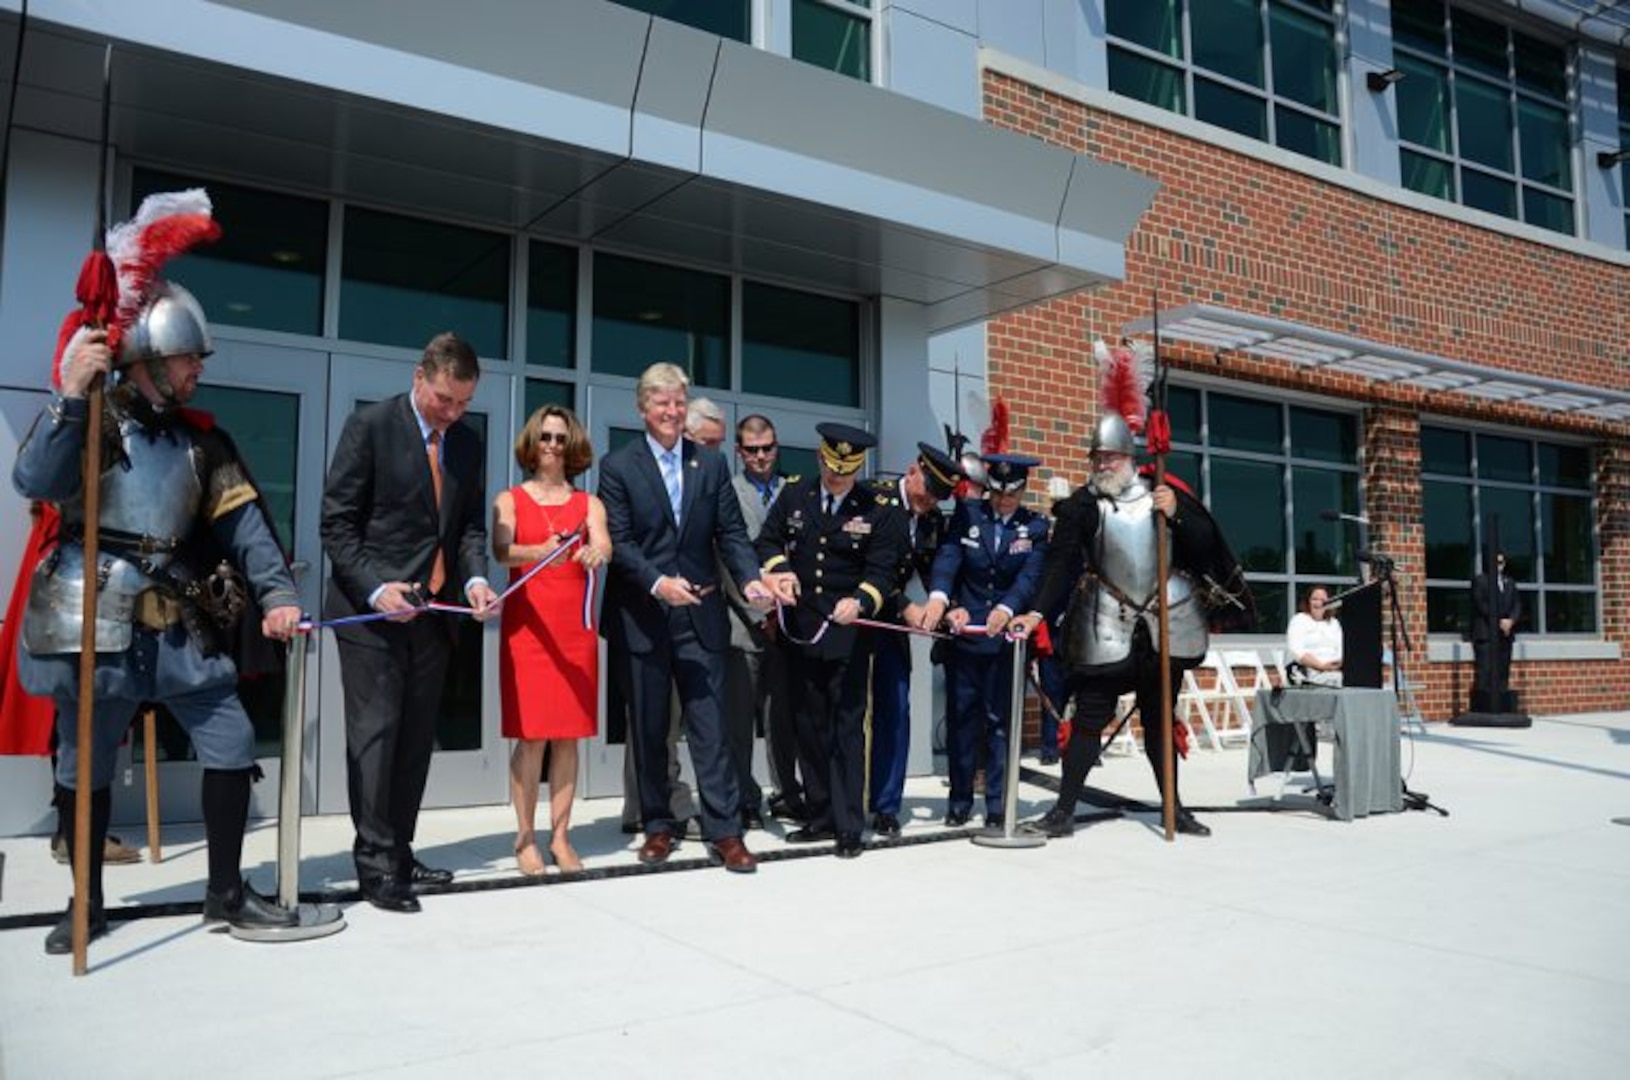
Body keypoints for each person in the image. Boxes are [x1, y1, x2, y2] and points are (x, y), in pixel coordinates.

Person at [14, 281, 302, 953]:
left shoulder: (204, 446)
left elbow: (249, 529)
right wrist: (68, 397)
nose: (199, 370)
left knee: (230, 739)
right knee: (83, 763)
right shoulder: (91, 420)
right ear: (148, 358)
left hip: (177, 622)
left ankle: (225, 894)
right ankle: (84, 904)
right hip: (94, 618)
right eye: (187, 359)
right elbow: (34, 481)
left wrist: (278, 594)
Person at [321, 332, 499, 913]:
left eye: (463, 404)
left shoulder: (467, 445)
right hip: (371, 616)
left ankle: (399, 851)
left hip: (434, 618)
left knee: (415, 742)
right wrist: (376, 588)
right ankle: (374, 866)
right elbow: (337, 526)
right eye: (445, 399)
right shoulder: (370, 428)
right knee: (377, 738)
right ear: (420, 377)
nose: (453, 413)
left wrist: (474, 579)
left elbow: (469, 527)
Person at [1010, 411, 1251, 840]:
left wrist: (1177, 513)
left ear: (1128, 456)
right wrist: (1037, 612)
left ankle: (1174, 808)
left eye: (1111, 457)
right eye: (1097, 457)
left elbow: (1204, 545)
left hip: (1165, 625)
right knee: (1089, 717)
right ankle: (1063, 810)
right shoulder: (1082, 505)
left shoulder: (1165, 494)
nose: (1103, 464)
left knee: (1160, 721)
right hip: (1105, 624)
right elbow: (1059, 564)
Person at [597, 363, 768, 873]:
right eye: (661, 403)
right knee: (651, 729)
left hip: (701, 616)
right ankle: (658, 825)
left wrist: (752, 578)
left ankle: (725, 831)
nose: (671, 412)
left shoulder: (710, 465)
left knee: (710, 726)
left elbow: (732, 534)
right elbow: (621, 543)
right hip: (644, 616)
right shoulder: (618, 466)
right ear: (642, 408)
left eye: (678, 402)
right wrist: (657, 582)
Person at [758, 423, 907, 858]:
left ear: (857, 467)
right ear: (821, 458)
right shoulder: (795, 494)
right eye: (832, 467)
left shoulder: (879, 508)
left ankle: (848, 825)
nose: (837, 477)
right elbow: (766, 539)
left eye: (847, 470)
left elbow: (884, 569)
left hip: (847, 635)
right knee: (808, 724)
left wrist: (861, 601)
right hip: (801, 631)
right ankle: (819, 816)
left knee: (845, 728)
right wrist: (780, 569)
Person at [493, 405, 610, 876]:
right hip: (529, 629)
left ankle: (561, 836)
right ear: (531, 442)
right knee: (531, 737)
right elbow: (500, 551)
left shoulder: (589, 504)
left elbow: (604, 544)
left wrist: (592, 551)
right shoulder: (510, 499)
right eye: (545, 436)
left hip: (573, 631)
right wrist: (536, 551)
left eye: (561, 438)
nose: (553, 445)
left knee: (567, 739)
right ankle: (525, 838)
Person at [919, 453, 1049, 828]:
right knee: (961, 721)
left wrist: (1008, 609)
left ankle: (996, 804)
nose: (1002, 501)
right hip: (966, 637)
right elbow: (947, 561)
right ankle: (959, 801)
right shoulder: (967, 516)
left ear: (1023, 491)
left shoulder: (1035, 527)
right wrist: (945, 602)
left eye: (1011, 495)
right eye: (996, 493)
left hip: (1006, 641)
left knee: (999, 724)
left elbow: (1030, 577)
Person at [865, 441, 962, 838]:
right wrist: (905, 604)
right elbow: (860, 565)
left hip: (892, 628)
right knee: (847, 714)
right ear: (912, 472)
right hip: (854, 620)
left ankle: (886, 805)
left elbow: (931, 566)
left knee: (895, 711)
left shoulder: (930, 517)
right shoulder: (871, 499)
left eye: (938, 498)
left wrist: (946, 605)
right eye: (928, 493)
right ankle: (844, 799)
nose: (929, 504)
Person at [721, 412, 797, 830]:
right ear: (739, 451)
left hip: (787, 629)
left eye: (767, 447)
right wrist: (760, 612)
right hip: (742, 624)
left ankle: (786, 793)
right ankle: (745, 798)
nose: (761, 456)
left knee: (781, 718)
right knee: (739, 722)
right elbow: (727, 562)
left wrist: (784, 614)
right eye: (752, 450)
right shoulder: (727, 492)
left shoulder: (795, 490)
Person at [1471, 549, 1521, 702]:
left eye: (1501, 563)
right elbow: (1481, 605)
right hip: (1486, 635)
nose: (1498, 566)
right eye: (1495, 562)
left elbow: (1517, 605)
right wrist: (1500, 620)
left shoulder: (1509, 582)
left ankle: (1502, 704)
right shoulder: (1480, 581)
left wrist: (1511, 621)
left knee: (1503, 671)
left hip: (1505, 635)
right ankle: (1483, 707)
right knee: (1485, 672)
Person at [1286, 585, 1343, 687]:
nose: (1318, 603)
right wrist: (1321, 666)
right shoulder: (1299, 620)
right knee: (1342, 680)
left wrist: (1335, 665)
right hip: (1308, 672)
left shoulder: (1334, 623)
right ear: (1308, 601)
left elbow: (1341, 650)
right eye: (1314, 599)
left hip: (1333, 670)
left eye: (1323, 600)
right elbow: (1297, 652)